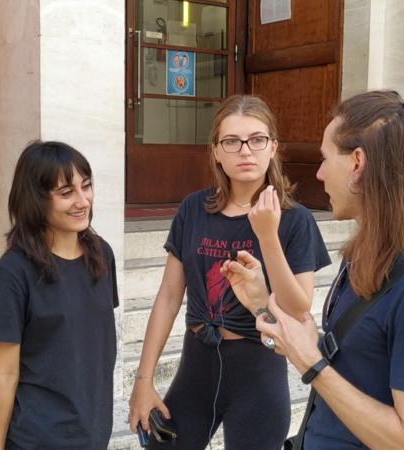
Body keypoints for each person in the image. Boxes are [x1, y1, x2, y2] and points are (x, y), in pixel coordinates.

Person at [227, 90, 404, 449]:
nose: (320, 173)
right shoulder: (369, 254)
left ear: (358, 164)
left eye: (326, 158)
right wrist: (264, 304)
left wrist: (310, 362)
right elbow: (355, 363)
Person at [128, 95, 331, 450]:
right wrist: (143, 380)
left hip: (257, 371)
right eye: (232, 142)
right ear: (216, 151)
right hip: (196, 366)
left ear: (273, 147)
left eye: (257, 139)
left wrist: (268, 236)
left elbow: (298, 309)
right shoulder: (194, 209)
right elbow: (169, 296)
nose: (245, 151)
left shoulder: (295, 220)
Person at [0, 141, 119, 450]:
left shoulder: (101, 255)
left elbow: (95, 347)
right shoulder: (13, 273)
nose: (83, 201)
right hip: (39, 438)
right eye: (66, 192)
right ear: (36, 200)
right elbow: (4, 374)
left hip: (93, 433)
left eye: (86, 186)